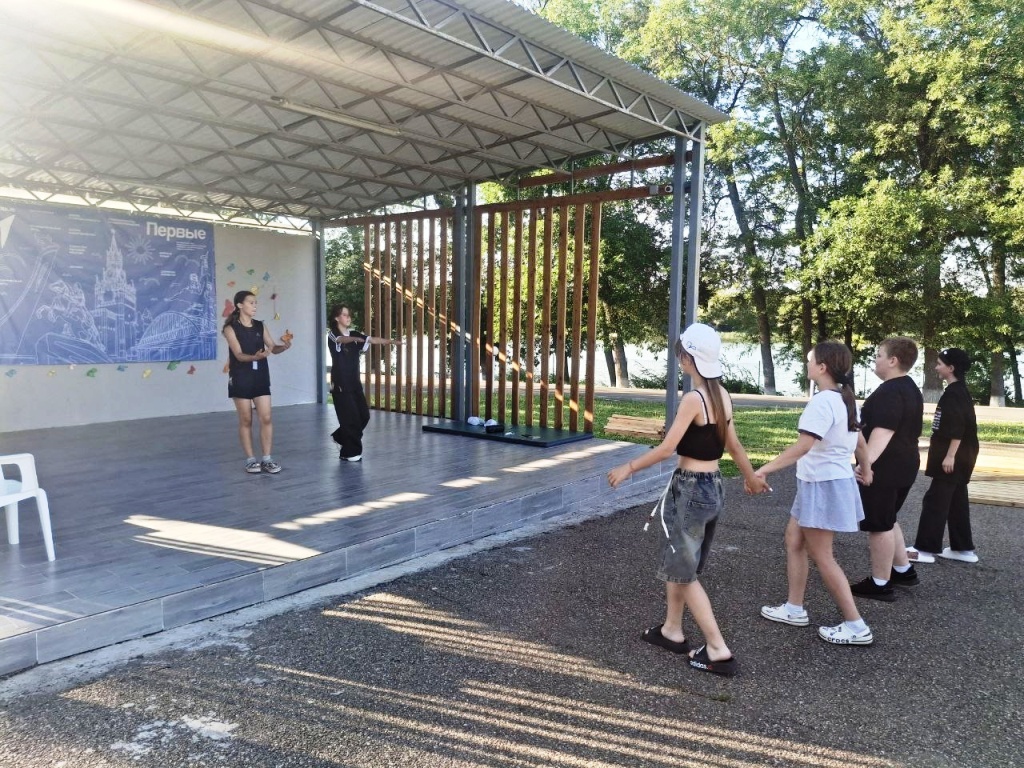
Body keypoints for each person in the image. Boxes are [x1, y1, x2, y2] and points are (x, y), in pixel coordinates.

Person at [607, 323, 768, 677]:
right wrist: (751, 477)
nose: (679, 358)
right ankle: (672, 629)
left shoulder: (694, 399)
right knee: (680, 563)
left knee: (684, 571)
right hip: (713, 486)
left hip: (691, 489)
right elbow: (733, 445)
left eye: (681, 352)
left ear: (688, 358)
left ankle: (717, 649)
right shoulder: (721, 394)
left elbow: (668, 448)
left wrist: (628, 467)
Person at [755, 341, 875, 645]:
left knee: (823, 556)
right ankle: (794, 608)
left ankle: (856, 625)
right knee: (794, 540)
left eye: (810, 360)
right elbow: (860, 442)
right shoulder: (844, 399)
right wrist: (867, 468)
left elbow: (803, 446)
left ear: (822, 367)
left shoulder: (822, 403)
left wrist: (764, 469)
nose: (807, 364)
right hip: (821, 482)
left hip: (823, 484)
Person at [850, 337, 924, 601]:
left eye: (879, 355)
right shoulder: (910, 387)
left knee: (879, 525)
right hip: (905, 463)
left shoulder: (890, 392)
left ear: (893, 360)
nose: (875, 360)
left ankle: (880, 583)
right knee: (888, 517)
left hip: (885, 468)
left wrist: (865, 465)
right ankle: (903, 570)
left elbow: (884, 431)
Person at [907, 347, 980, 564]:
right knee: (957, 501)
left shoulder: (955, 393)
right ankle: (962, 549)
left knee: (935, 501)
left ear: (951, 368)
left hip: (954, 457)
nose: (936, 367)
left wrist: (950, 456)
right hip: (961, 455)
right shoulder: (959, 391)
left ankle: (925, 549)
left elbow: (958, 428)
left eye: (940, 364)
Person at [222, 290, 291, 474]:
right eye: (251, 302)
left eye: (256, 302)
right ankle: (251, 460)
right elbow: (238, 355)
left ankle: (267, 459)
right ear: (240, 305)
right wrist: (255, 357)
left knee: (266, 417)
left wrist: (284, 346)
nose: (255, 306)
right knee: (246, 419)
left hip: (260, 376)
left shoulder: (260, 325)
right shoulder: (230, 328)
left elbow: (272, 348)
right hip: (240, 377)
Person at [328, 305, 400, 462]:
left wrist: (390, 341)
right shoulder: (333, 335)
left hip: (354, 383)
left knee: (363, 416)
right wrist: (355, 339)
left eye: (349, 315)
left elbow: (371, 339)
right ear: (336, 318)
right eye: (344, 315)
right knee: (350, 418)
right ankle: (350, 453)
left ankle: (340, 436)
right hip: (340, 384)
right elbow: (341, 340)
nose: (348, 317)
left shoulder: (354, 334)